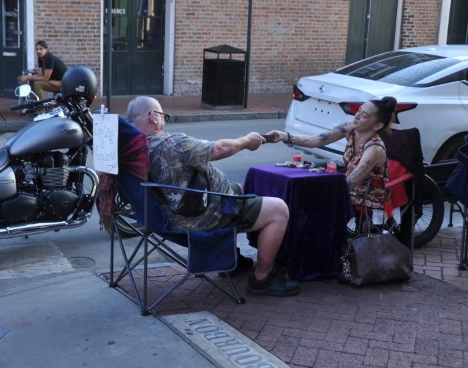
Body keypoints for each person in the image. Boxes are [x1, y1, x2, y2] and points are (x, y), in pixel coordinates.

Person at [126, 96, 299, 297]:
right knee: (279, 209)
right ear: (153, 117)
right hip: (200, 218)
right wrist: (247, 141)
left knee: (238, 188)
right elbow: (219, 149)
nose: (164, 121)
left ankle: (231, 261)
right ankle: (262, 278)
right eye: (163, 116)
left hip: (167, 215)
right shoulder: (171, 144)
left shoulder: (130, 151)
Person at [269, 96, 398, 214]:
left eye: (364, 115)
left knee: (308, 198)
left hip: (367, 200)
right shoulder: (350, 128)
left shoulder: (375, 149)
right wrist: (285, 136)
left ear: (377, 125)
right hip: (348, 192)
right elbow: (315, 140)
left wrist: (321, 187)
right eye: (359, 110)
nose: (357, 116)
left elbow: (351, 182)